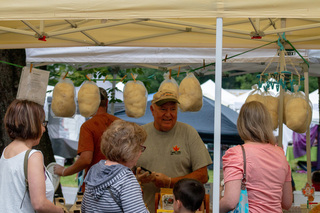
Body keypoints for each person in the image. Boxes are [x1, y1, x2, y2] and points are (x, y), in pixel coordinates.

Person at [136, 89, 212, 213]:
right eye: (163, 109)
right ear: (152, 110)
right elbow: (124, 172)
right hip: (144, 209)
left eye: (173, 109)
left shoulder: (189, 133)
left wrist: (170, 182)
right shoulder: (139, 134)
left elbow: (203, 176)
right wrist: (136, 178)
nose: (168, 114)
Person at [220, 101, 292, 213]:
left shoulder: (236, 153)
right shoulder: (280, 154)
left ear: (241, 123)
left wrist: (214, 208)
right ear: (267, 123)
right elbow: (287, 203)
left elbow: (230, 201)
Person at [0, 99, 64, 213]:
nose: (44, 129)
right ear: (32, 123)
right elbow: (39, 204)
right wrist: (60, 211)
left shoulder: (6, 151)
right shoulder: (33, 156)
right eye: (42, 123)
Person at [54, 87, 119, 191]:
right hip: (119, 184)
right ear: (106, 102)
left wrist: (64, 171)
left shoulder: (88, 126)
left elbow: (86, 159)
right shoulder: (121, 124)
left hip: (96, 187)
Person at [81, 120, 149, 213]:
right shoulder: (126, 179)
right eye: (140, 148)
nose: (141, 152)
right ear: (130, 150)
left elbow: (84, 209)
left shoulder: (93, 171)